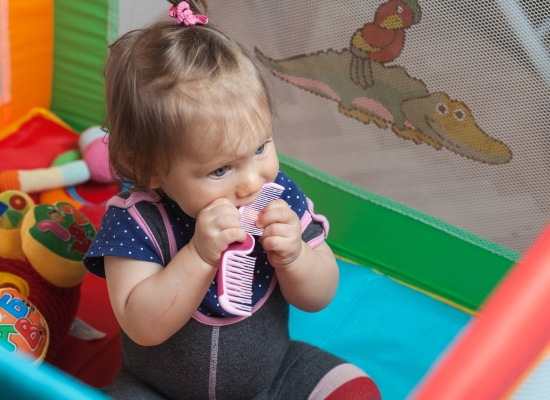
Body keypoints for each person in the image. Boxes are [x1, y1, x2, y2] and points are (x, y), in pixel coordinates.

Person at [83, 1, 381, 399]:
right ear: (152, 168)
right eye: (221, 170)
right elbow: (142, 324)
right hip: (156, 388)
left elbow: (320, 295)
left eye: (260, 148)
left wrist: (296, 257)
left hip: (272, 377)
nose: (250, 183)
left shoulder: (278, 199)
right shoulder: (136, 221)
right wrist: (200, 255)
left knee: (353, 389)